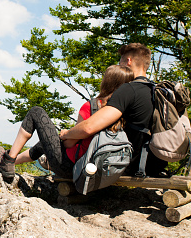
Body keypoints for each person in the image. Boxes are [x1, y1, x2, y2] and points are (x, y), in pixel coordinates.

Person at [0, 64, 134, 180]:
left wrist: (65, 134)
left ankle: (8, 159)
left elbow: (70, 143)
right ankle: (8, 159)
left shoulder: (93, 106)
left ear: (106, 82)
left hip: (72, 168)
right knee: (45, 142)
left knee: (36, 112)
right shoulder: (128, 113)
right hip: (104, 170)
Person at [60, 43, 167, 176]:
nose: (119, 64)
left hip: (124, 165)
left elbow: (89, 127)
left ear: (128, 61)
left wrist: (65, 134)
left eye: (120, 61)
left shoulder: (128, 89)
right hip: (151, 164)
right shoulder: (154, 91)